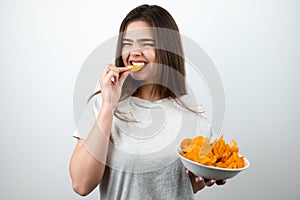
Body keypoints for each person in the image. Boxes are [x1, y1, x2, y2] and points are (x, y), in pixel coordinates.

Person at [69, 4, 226, 200]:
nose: (134, 52)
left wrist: (205, 176)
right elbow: (81, 184)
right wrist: (109, 106)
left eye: (145, 43)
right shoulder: (102, 103)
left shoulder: (194, 116)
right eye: (127, 43)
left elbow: (185, 185)